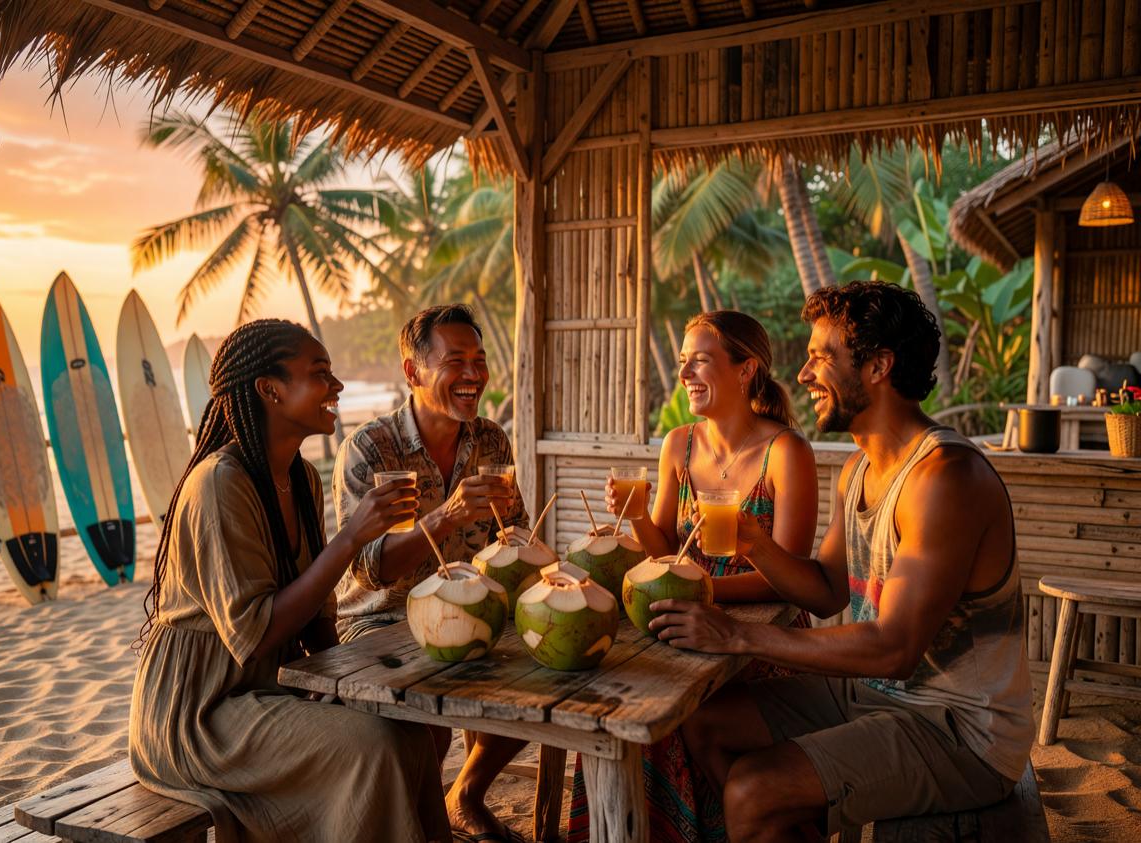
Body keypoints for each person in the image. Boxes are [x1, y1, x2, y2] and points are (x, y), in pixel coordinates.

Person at [653, 282, 1034, 841]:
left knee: (754, 790)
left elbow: (894, 647)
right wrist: (755, 544)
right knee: (705, 723)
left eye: (821, 358)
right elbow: (828, 589)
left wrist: (740, 636)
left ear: (879, 366)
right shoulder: (860, 469)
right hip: (881, 696)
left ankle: (766, 815)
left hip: (960, 728)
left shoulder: (945, 477)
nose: (803, 376)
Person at [129, 319, 450, 843]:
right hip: (200, 710)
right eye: (320, 373)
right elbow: (255, 632)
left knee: (406, 728)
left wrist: (339, 683)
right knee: (372, 745)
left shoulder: (300, 477)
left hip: (265, 686)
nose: (338, 387)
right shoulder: (220, 484)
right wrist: (351, 538)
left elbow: (317, 613)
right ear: (270, 390)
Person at [567, 310, 820, 843]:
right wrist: (637, 516)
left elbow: (791, 578)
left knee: (674, 718)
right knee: (626, 706)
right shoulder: (679, 444)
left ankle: (762, 824)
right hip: (685, 625)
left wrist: (702, 593)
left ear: (747, 369)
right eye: (682, 362)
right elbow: (662, 552)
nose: (684, 374)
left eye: (699, 361)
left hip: (764, 642)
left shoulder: (786, 452)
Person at [333, 304, 527, 843]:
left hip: (471, 603)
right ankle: (428, 825)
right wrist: (448, 516)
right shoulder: (371, 448)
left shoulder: (490, 441)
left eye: (480, 360)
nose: (473, 374)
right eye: (456, 361)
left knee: (549, 678)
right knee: (425, 727)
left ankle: (464, 795)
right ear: (412, 372)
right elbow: (370, 572)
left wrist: (526, 550)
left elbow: (515, 531)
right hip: (381, 620)